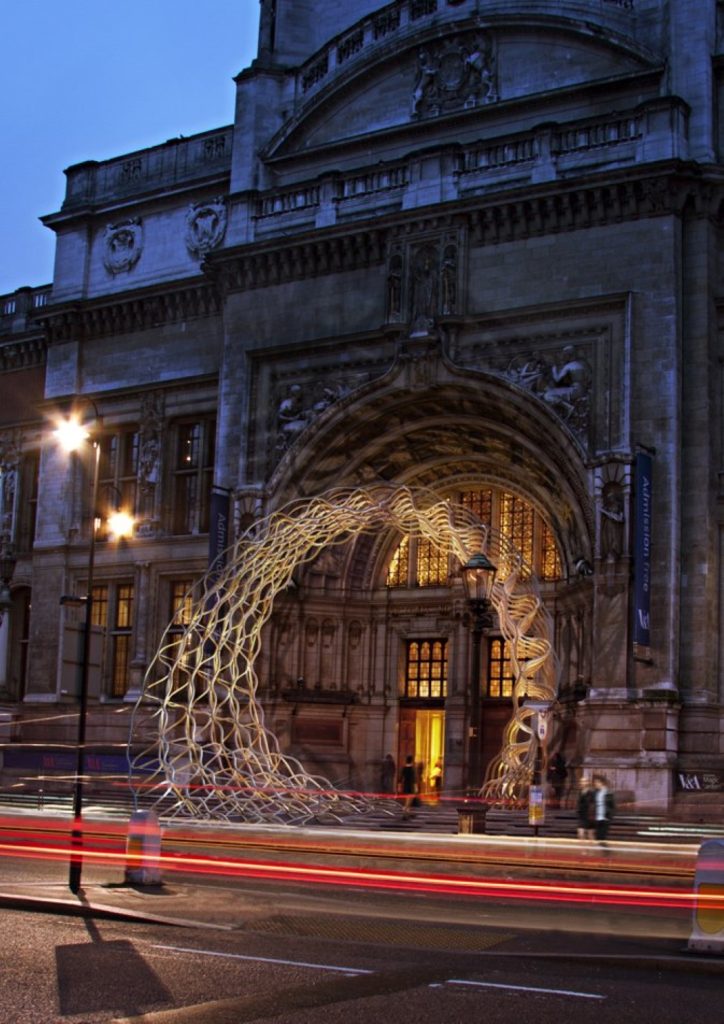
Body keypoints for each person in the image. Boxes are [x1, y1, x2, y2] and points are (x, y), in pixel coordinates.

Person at [592, 773, 615, 843]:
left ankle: (605, 852)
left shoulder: (608, 793)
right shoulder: (595, 792)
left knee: (602, 837)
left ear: (601, 783)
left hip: (605, 818)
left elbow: (612, 806)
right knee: (597, 837)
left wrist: (609, 816)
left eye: (596, 782)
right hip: (596, 818)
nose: (595, 784)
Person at [399, 754, 417, 819]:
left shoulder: (404, 768)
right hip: (411, 785)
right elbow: (414, 779)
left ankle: (408, 813)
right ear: (412, 761)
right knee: (409, 800)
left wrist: (399, 786)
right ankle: (405, 812)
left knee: (408, 799)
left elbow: (400, 778)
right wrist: (415, 787)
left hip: (406, 785)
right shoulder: (412, 769)